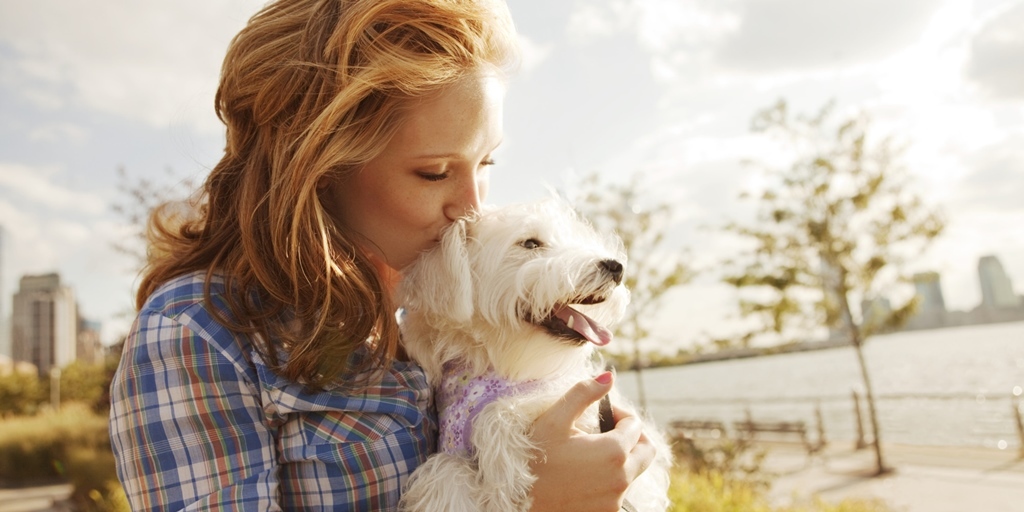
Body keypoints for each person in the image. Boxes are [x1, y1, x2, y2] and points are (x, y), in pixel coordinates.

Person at [108, 0, 656, 510]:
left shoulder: (430, 321)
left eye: (486, 162)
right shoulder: (196, 332)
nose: (472, 207)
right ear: (319, 171)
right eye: (434, 172)